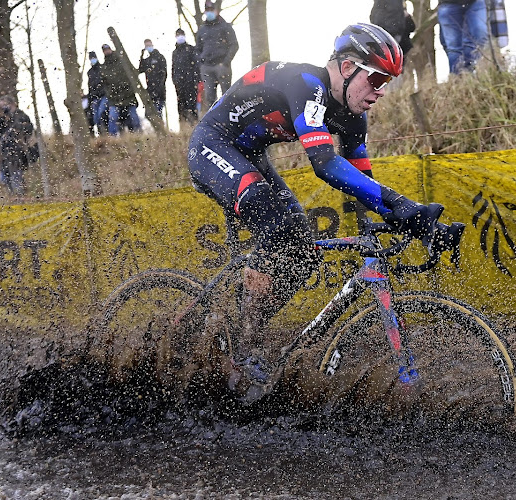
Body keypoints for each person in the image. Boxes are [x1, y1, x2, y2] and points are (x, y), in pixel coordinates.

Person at [187, 23, 440, 399]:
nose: (380, 91)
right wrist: (402, 206)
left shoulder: (354, 116)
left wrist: (403, 220)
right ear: (346, 66)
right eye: (375, 78)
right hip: (212, 144)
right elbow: (323, 163)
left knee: (303, 252)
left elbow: (360, 178)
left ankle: (245, 335)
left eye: (386, 81)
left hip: (251, 156)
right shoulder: (308, 85)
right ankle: (239, 349)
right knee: (277, 225)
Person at [195, 1, 238, 114]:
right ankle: (214, 121)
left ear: (216, 11)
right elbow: (198, 48)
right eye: (207, 10)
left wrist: (226, 62)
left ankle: (229, 119)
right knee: (210, 98)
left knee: (227, 95)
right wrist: (201, 63)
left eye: (211, 10)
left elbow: (234, 44)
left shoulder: (225, 26)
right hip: (207, 67)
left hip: (222, 65)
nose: (209, 12)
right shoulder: (202, 29)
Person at [0, 95, 33, 196]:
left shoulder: (22, 116)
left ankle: (20, 197)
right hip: (4, 153)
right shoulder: (3, 118)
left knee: (17, 177)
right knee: (4, 178)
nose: (3, 108)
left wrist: (16, 132)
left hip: (17, 152)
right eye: (2, 106)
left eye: (4, 105)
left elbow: (28, 131)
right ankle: (11, 197)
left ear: (11, 104)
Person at [437, 0, 489, 74]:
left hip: (475, 2)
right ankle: (458, 79)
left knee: (479, 35)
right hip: (448, 4)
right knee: (454, 47)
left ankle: (471, 72)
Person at [100, 44, 142, 135]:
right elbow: (105, 84)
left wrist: (130, 90)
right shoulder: (104, 68)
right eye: (104, 50)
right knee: (112, 117)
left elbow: (132, 76)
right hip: (114, 98)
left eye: (107, 49)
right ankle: (113, 138)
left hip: (128, 96)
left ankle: (139, 135)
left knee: (134, 116)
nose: (107, 51)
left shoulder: (122, 62)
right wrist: (111, 94)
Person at [172, 28, 200, 123]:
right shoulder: (175, 53)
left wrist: (195, 80)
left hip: (191, 82)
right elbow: (174, 68)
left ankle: (194, 123)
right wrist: (175, 80)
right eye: (178, 35)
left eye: (181, 34)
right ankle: (183, 125)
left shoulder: (191, 49)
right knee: (181, 106)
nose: (180, 36)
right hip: (179, 84)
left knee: (192, 105)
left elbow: (196, 66)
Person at [137, 38, 168, 116]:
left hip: (160, 90)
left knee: (158, 112)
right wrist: (141, 56)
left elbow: (164, 73)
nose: (148, 47)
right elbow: (140, 69)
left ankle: (161, 127)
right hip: (150, 90)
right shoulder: (147, 60)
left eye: (149, 45)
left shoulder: (160, 57)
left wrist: (160, 85)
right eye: (146, 46)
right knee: (149, 114)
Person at [86, 51, 108, 135]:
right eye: (91, 58)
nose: (92, 60)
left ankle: (106, 132)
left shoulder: (102, 68)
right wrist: (90, 98)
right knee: (96, 118)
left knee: (101, 112)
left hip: (103, 95)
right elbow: (90, 86)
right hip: (94, 97)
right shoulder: (90, 72)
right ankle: (101, 134)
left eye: (93, 58)